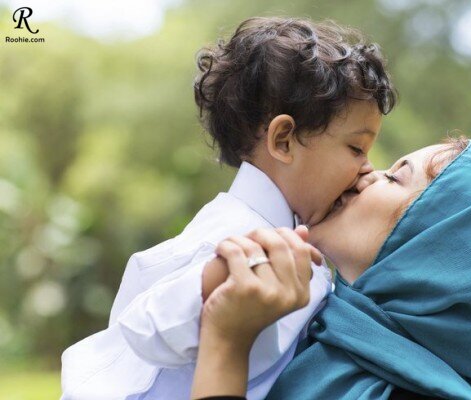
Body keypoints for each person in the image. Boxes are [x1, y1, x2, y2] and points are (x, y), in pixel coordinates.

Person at [60, 17, 396, 400]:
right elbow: (144, 326)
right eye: (356, 149)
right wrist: (222, 275)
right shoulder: (234, 238)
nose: (367, 168)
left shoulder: (284, 234)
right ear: (284, 140)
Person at [191, 137, 471, 400]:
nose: (364, 171)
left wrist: (225, 344)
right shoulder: (316, 327)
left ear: (435, 244)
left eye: (395, 178)